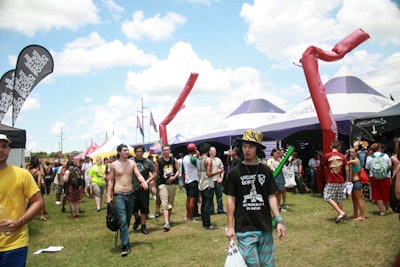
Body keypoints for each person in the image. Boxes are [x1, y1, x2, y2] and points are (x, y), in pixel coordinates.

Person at [225, 130, 285, 266]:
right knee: (252, 264)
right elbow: (231, 199)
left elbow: (271, 197)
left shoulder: (266, 171)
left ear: (257, 148)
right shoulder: (235, 172)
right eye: (244, 146)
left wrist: (279, 219)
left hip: (265, 227)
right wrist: (229, 226)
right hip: (244, 228)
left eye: (250, 146)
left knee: (267, 265)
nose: (247, 150)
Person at [0, 134, 44, 266]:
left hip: (14, 244)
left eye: (4, 146)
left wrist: (19, 222)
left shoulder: (22, 175)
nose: (0, 150)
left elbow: (38, 202)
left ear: (9, 150)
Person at [106, 144, 148, 256]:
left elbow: (138, 175)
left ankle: (123, 237)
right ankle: (125, 244)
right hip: (119, 194)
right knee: (123, 220)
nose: (127, 152)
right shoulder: (114, 165)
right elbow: (110, 180)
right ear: (119, 152)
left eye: (127, 150)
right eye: (124, 150)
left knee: (127, 219)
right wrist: (108, 196)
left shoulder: (132, 163)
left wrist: (144, 182)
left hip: (130, 194)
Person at [131, 145, 156, 235]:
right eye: (137, 151)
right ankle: (137, 219)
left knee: (143, 208)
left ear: (143, 152)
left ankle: (143, 225)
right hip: (132, 188)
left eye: (141, 151)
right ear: (135, 152)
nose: (139, 153)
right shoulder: (130, 161)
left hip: (143, 189)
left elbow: (154, 173)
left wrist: (147, 182)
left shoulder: (148, 162)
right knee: (132, 209)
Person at [154, 144, 179, 232]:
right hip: (162, 184)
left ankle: (168, 218)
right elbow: (155, 173)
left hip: (172, 184)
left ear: (170, 150)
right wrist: (154, 185)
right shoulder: (159, 161)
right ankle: (166, 223)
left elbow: (178, 170)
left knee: (170, 203)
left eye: (167, 150)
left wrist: (174, 177)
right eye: (164, 150)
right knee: (164, 203)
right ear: (162, 151)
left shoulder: (174, 159)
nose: (166, 151)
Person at [323, 140, 349, 223]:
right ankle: (340, 216)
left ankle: (341, 213)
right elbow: (347, 168)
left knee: (327, 197)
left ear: (331, 147)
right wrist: (347, 179)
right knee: (339, 199)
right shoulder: (343, 156)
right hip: (341, 180)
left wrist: (326, 177)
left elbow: (325, 168)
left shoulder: (327, 156)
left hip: (332, 179)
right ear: (339, 147)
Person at [365, 143, 392, 215]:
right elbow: (389, 165)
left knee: (377, 194)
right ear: (380, 148)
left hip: (374, 177)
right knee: (386, 193)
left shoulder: (370, 157)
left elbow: (367, 167)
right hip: (385, 176)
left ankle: (381, 211)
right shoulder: (385, 156)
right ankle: (387, 209)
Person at [198, 143, 218, 230]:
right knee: (208, 204)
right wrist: (219, 171)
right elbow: (209, 174)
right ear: (208, 150)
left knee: (204, 203)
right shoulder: (208, 160)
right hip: (208, 183)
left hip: (201, 183)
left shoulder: (199, 159)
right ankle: (207, 224)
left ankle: (204, 221)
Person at [182, 143, 200, 223]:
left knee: (188, 199)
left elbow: (183, 171)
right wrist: (198, 155)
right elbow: (199, 164)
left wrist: (183, 181)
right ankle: (190, 217)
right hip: (194, 180)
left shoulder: (185, 158)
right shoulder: (193, 159)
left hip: (187, 180)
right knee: (192, 200)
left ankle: (187, 215)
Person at [27, 156, 48, 221]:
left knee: (31, 202)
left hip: (29, 187)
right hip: (36, 187)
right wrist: (38, 189)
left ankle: (30, 215)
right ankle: (41, 216)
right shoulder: (38, 172)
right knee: (40, 201)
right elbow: (39, 181)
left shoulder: (28, 170)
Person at [348, 148, 365, 221]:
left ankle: (362, 215)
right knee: (354, 199)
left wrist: (345, 155)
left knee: (359, 199)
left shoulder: (355, 161)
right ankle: (355, 213)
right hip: (353, 182)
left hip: (357, 182)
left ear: (356, 153)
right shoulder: (354, 160)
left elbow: (347, 162)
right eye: (350, 152)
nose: (351, 154)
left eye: (353, 152)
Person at [208, 146, 225, 214]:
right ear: (209, 152)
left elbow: (222, 170)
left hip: (217, 180)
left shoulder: (218, 160)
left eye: (215, 150)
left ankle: (220, 209)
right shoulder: (207, 160)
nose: (215, 152)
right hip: (210, 181)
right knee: (210, 197)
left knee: (219, 196)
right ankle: (211, 210)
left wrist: (221, 178)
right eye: (213, 151)